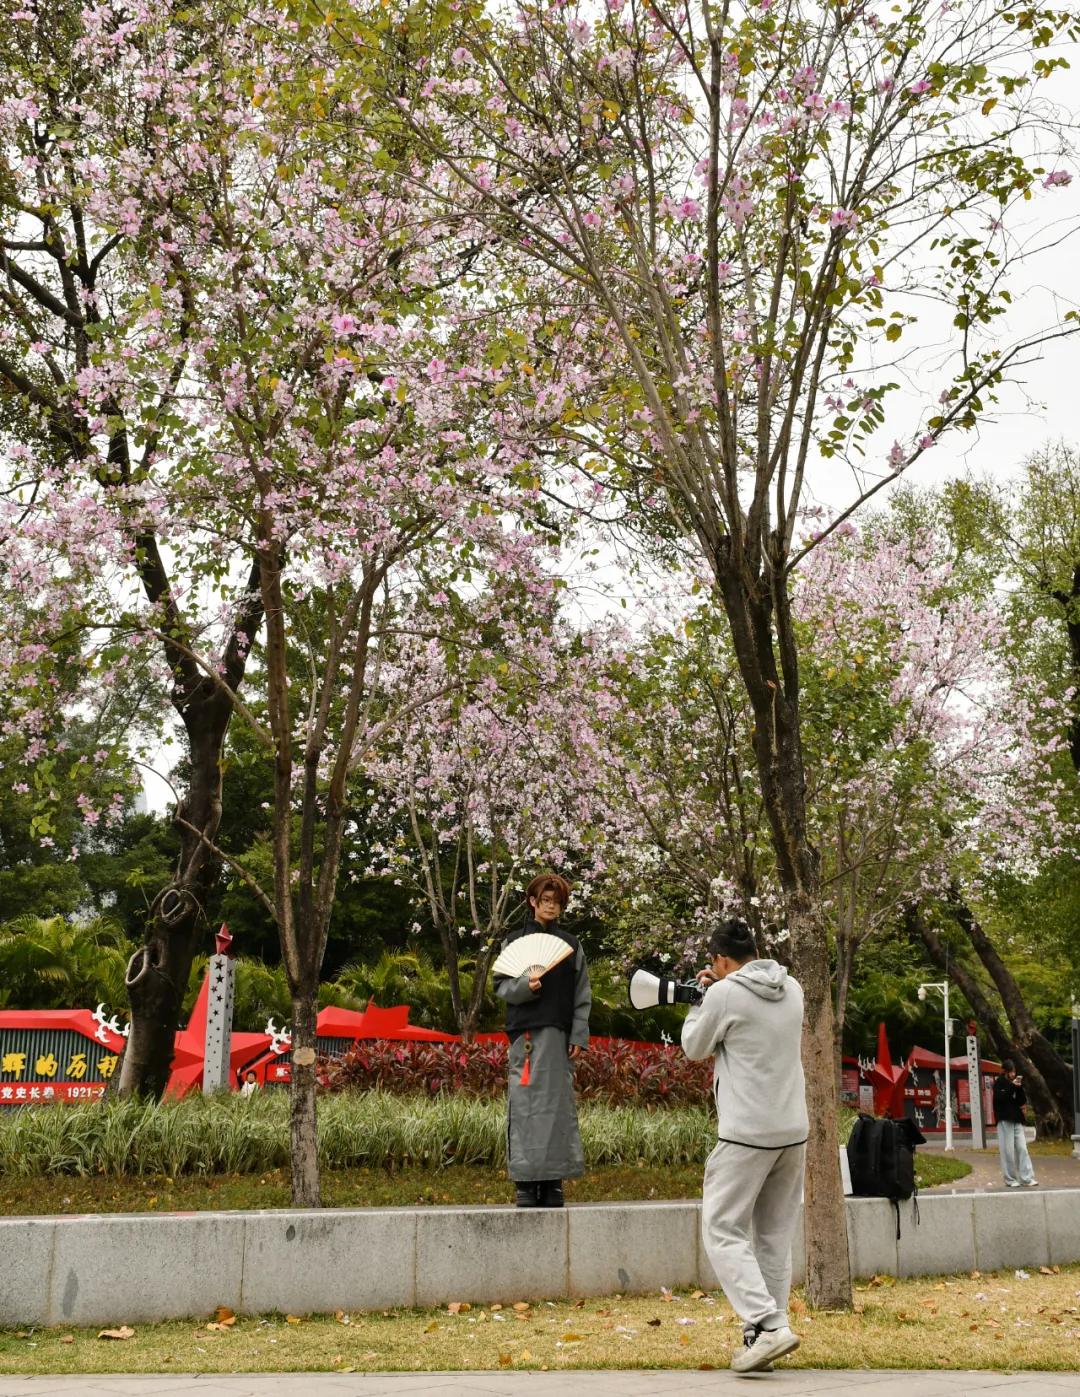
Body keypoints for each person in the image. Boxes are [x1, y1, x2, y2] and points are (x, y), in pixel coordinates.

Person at [682, 917, 808, 1375]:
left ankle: (767, 1324)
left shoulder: (723, 993)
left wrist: (700, 1000)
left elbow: (694, 1047)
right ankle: (763, 1338)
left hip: (745, 1134)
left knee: (721, 1229)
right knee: (773, 1235)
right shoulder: (792, 987)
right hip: (793, 1129)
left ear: (719, 959)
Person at [494, 872, 591, 1208]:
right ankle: (525, 1182)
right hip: (525, 1037)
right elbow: (502, 988)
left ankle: (553, 1182)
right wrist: (525, 987)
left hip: (560, 1037)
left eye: (557, 902)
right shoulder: (513, 941)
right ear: (532, 902)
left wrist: (579, 1033)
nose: (551, 906)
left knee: (557, 1109)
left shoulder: (571, 945)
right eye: (545, 900)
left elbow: (583, 994)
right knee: (525, 1107)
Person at [992, 1059, 1038, 1188]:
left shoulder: (1014, 1084)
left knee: (1022, 1148)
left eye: (1014, 1072)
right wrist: (1012, 1086)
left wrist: (1019, 1088)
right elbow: (999, 1099)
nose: (1013, 1074)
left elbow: (1021, 1101)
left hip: (1016, 1119)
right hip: (1004, 1119)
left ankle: (1027, 1178)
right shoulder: (999, 1083)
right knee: (1008, 1150)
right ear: (1005, 1071)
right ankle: (1010, 1179)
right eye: (1011, 1072)